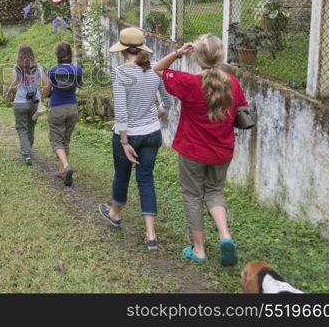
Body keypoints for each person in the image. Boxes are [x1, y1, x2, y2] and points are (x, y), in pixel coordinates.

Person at [154, 33, 248, 266]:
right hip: (222, 151)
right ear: (221, 55)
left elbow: (158, 69)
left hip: (193, 150)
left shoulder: (188, 83)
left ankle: (199, 249)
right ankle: (225, 236)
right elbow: (243, 110)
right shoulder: (233, 84)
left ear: (197, 56)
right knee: (214, 191)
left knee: (192, 195)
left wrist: (178, 52)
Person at [98, 27, 174, 251]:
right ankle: (151, 235)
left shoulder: (121, 73)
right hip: (152, 134)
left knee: (122, 174)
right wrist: (154, 117)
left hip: (129, 135)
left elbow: (121, 111)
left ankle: (115, 213)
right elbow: (168, 102)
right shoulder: (154, 70)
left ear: (123, 50)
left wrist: (124, 141)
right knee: (146, 179)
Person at [42, 42, 83, 186]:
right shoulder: (78, 70)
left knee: (56, 139)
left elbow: (46, 91)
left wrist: (44, 94)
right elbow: (80, 84)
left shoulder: (52, 71)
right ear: (70, 55)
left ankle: (66, 166)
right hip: (72, 107)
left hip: (57, 108)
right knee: (66, 138)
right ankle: (61, 171)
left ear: (57, 56)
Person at [5, 44, 47, 165]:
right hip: (34, 103)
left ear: (19, 55)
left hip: (20, 102)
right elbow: (46, 83)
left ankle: (26, 155)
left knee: (22, 128)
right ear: (32, 55)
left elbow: (13, 84)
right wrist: (42, 97)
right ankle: (29, 151)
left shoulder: (17, 67)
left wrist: (8, 95)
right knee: (31, 127)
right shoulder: (38, 67)